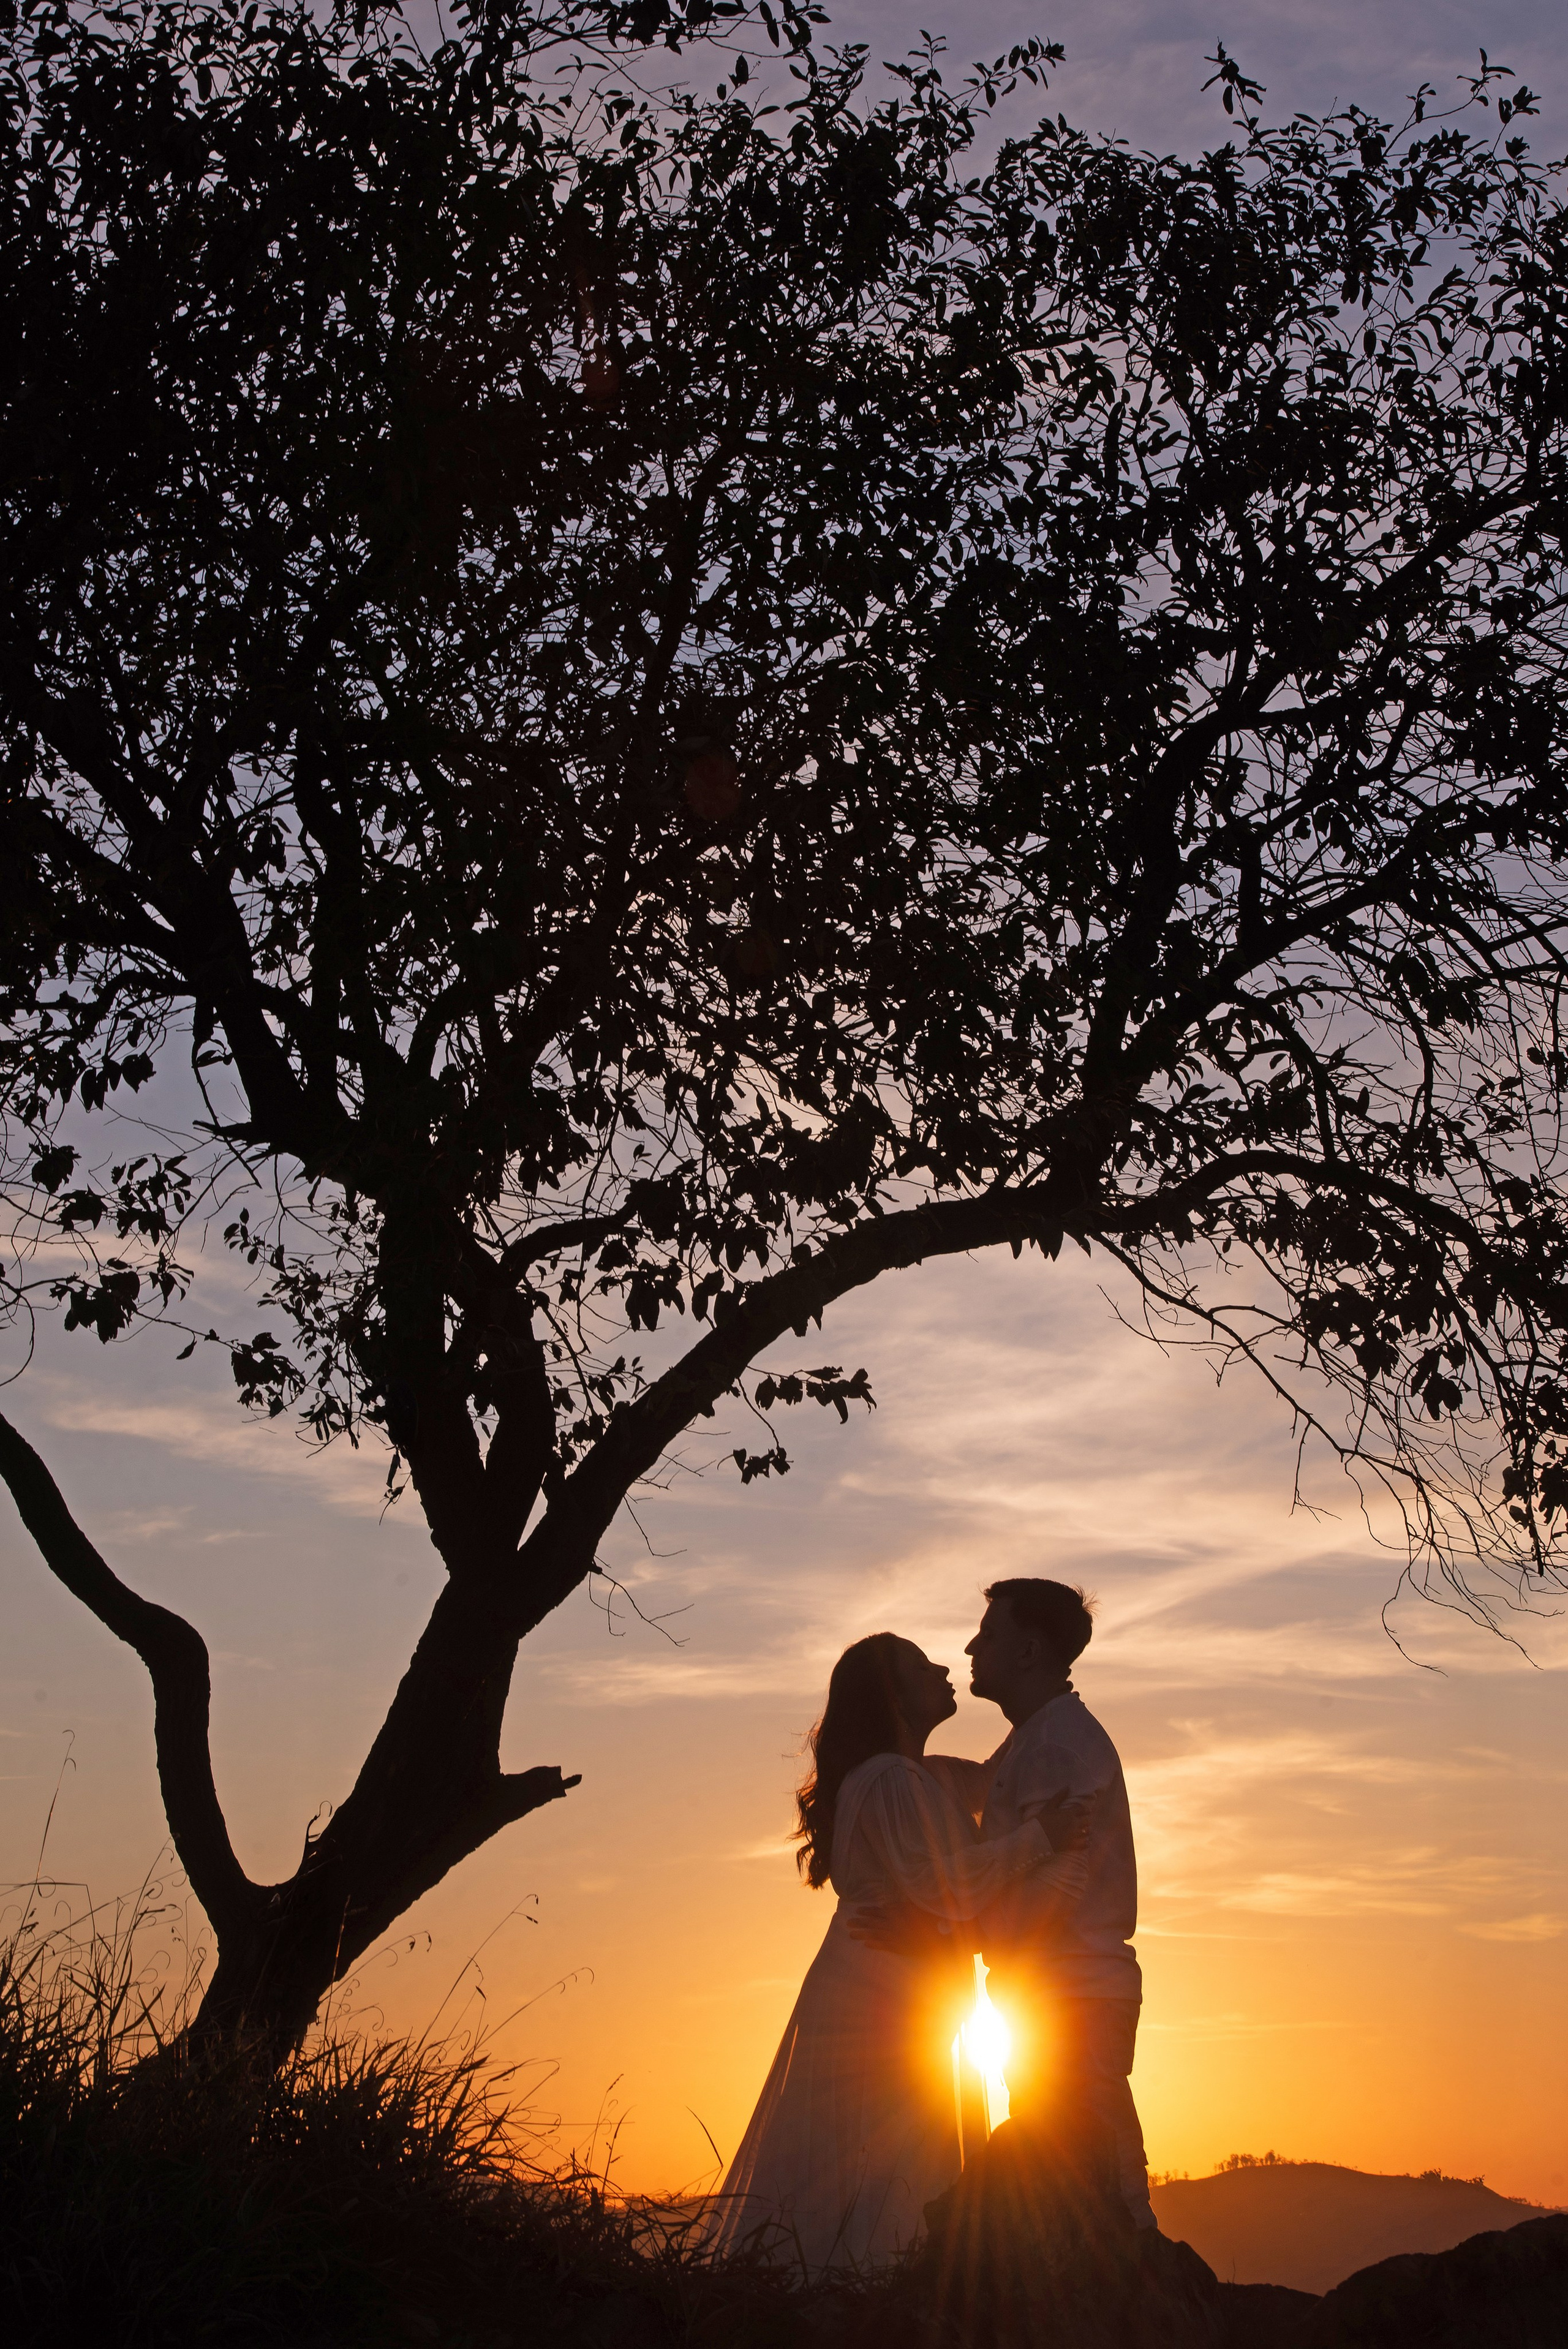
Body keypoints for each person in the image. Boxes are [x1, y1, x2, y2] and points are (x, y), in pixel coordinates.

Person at [705, 1630, 1088, 2275]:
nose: (942, 1667)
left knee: (896, 2158)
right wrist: (1039, 1838)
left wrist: (1040, 1706)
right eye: (920, 1665)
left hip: (907, 1997)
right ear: (892, 1697)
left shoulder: (922, 1776)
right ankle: (847, 2292)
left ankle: (860, 2287)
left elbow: (992, 1780)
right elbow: (944, 1883)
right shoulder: (887, 1779)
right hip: (878, 2000)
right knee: (873, 2154)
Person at [958, 1577, 1155, 2231]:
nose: (971, 1648)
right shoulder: (1038, 1737)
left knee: (1097, 2175)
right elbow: (974, 1785)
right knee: (1069, 2170)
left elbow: (1057, 1889)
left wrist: (958, 1934)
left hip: (1070, 1991)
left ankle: (1146, 2278)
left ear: (1028, 1651)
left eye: (988, 1634)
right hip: (1056, 1990)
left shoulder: (1055, 1744)